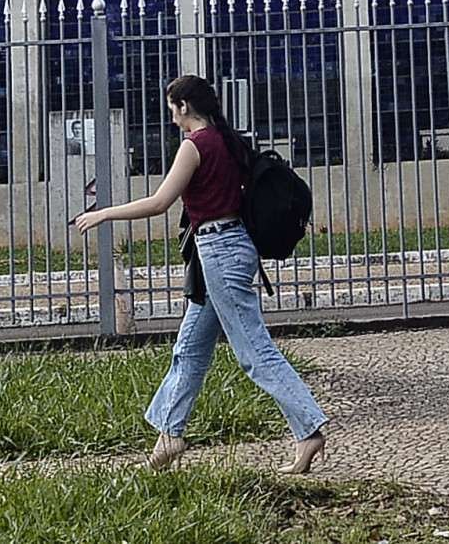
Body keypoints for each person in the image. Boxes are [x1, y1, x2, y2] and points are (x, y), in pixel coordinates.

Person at [71, 75, 328, 474]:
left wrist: (103, 213)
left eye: (172, 108)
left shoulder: (196, 145)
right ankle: (169, 435)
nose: (171, 117)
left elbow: (160, 202)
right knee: (189, 348)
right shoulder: (227, 140)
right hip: (225, 249)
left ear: (184, 106)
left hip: (221, 252)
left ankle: (309, 429)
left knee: (254, 351)